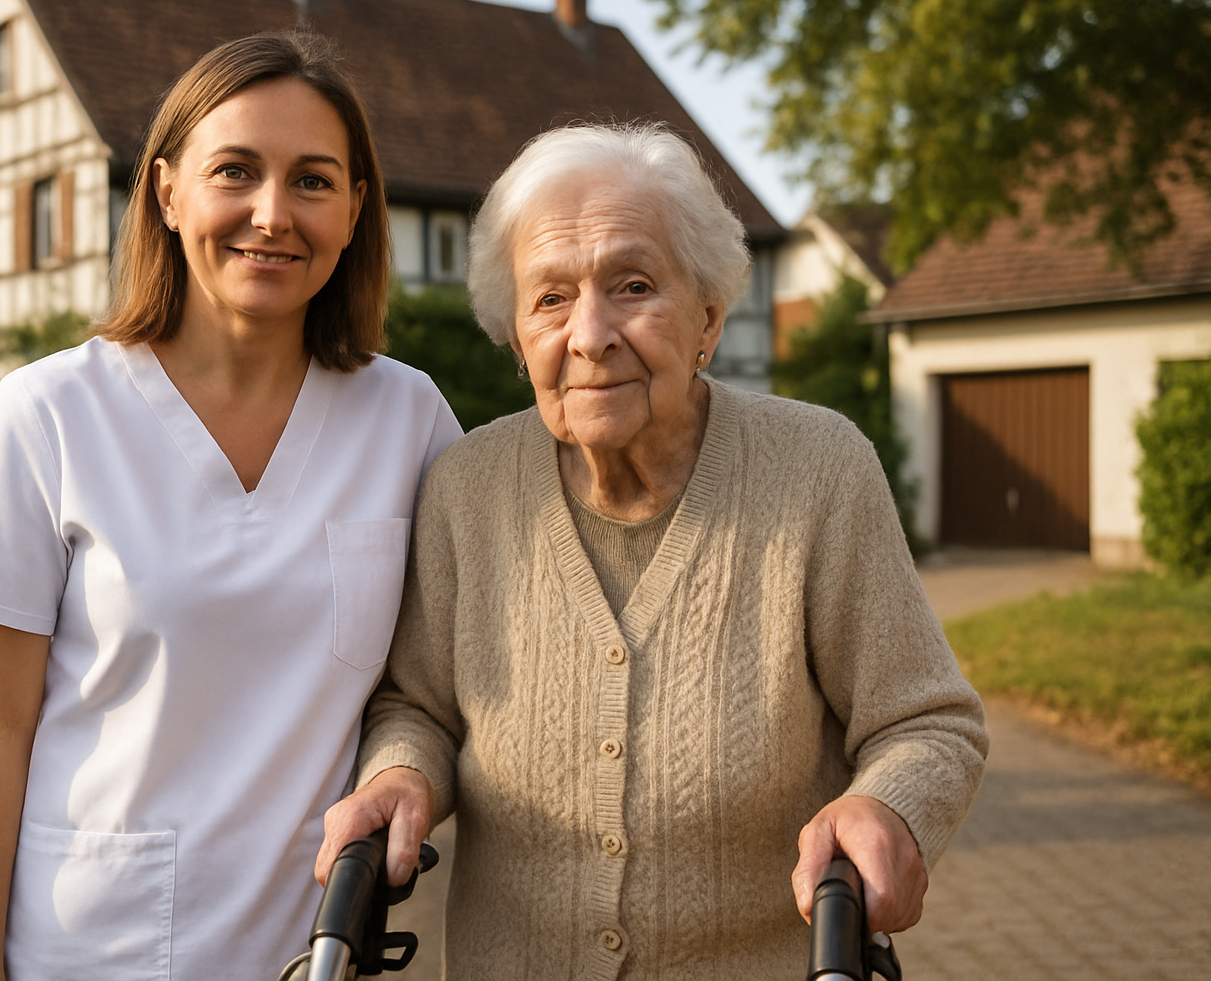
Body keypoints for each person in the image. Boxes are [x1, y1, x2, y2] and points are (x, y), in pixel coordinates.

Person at [317, 122, 988, 979]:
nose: (590, 334)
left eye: (632, 285)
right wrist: (403, 775)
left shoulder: (818, 471)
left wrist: (888, 807)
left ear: (708, 314)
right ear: (517, 335)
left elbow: (927, 720)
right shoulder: (466, 488)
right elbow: (418, 706)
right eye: (550, 298)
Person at [0, 30, 460, 981]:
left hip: (323, 945)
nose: (272, 213)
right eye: (235, 171)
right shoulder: (50, 413)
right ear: (168, 192)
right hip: (91, 947)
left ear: (355, 209)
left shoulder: (407, 417)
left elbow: (441, 682)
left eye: (313, 181)